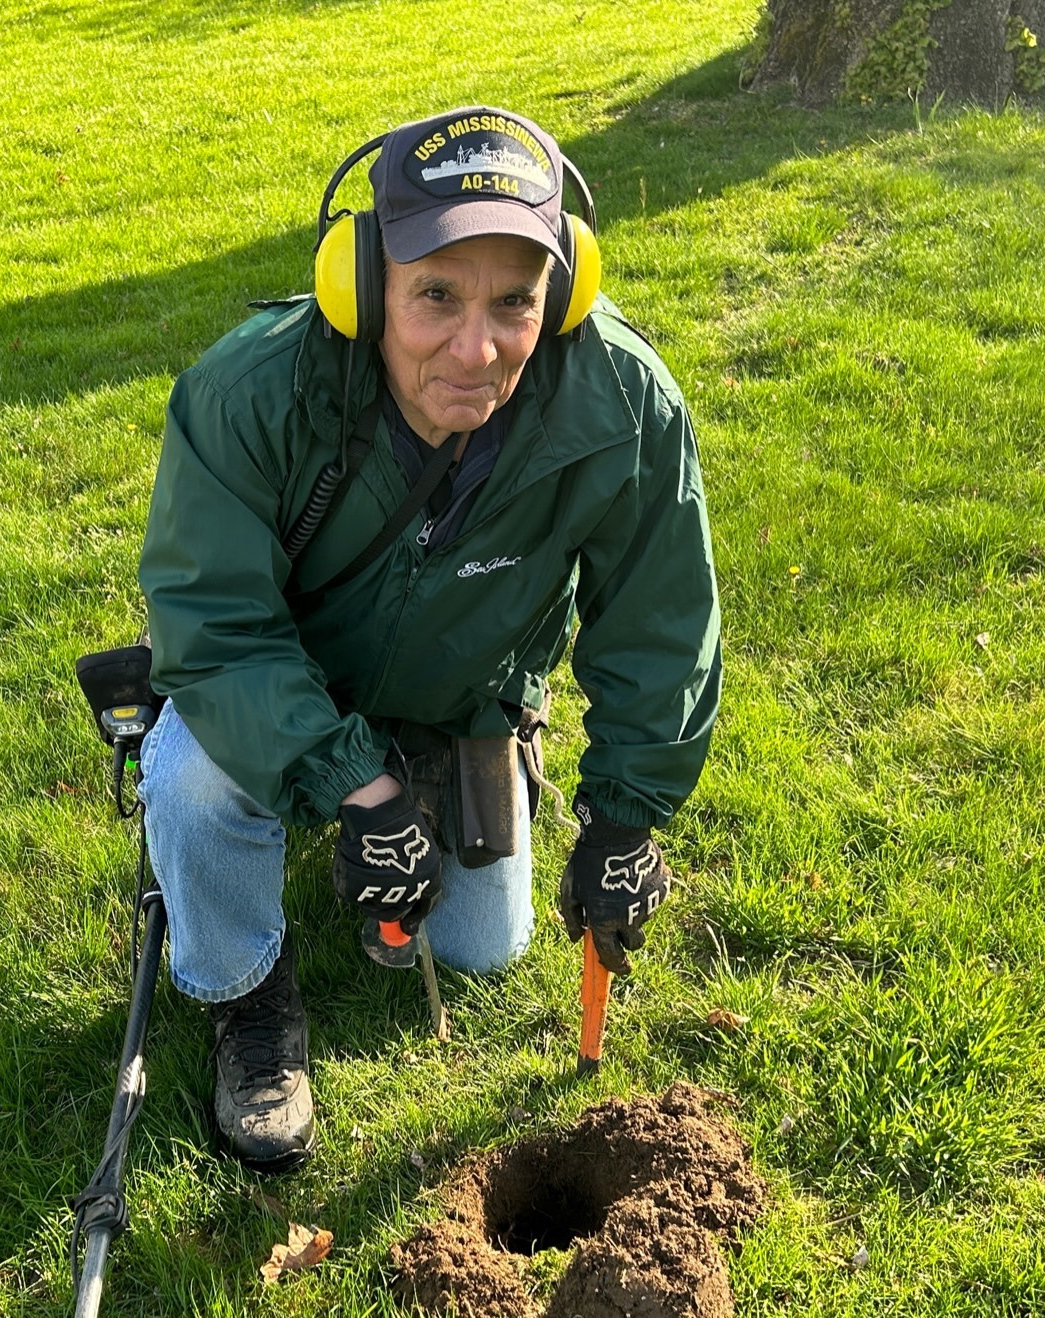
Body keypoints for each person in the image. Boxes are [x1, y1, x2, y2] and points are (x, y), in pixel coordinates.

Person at [134, 106, 721, 1173]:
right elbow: (214, 625)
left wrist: (628, 817)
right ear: (364, 283)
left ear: (567, 290)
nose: (477, 346)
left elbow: (660, 623)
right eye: (436, 297)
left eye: (515, 302)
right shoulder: (251, 393)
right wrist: (357, 789)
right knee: (190, 780)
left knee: (485, 950)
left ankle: (439, 778)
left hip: (463, 699)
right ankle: (246, 997)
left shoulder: (625, 404)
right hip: (288, 680)